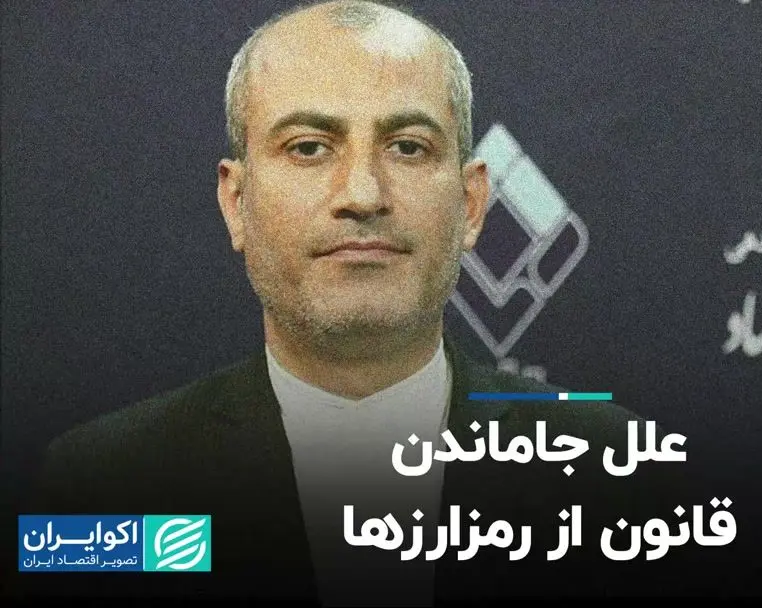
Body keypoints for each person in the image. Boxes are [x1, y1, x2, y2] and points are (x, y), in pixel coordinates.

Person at [13, 1, 710, 604]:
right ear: (236, 201)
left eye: (407, 147)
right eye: (309, 148)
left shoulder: (624, 483)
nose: (363, 194)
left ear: (471, 205)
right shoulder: (96, 489)